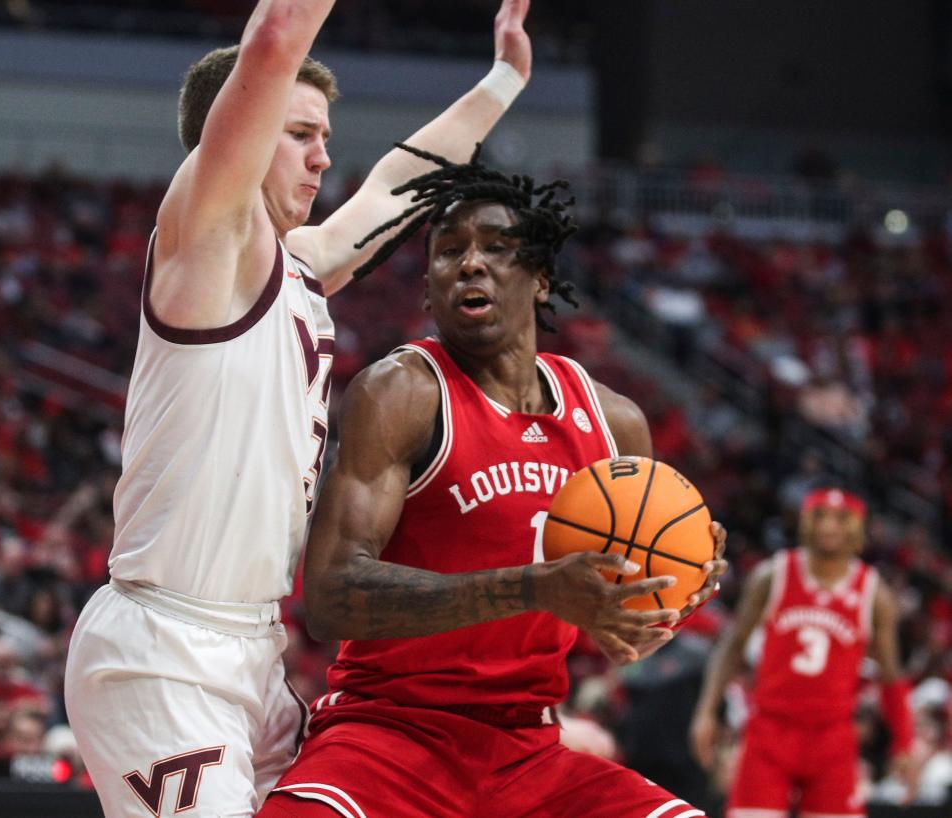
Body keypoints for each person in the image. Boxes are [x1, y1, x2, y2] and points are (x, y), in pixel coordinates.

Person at [63, 2, 536, 815]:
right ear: (236, 133)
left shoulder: (300, 265)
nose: (323, 156)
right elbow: (277, 35)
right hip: (161, 653)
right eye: (298, 133)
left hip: (252, 650)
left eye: (323, 135)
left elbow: (399, 183)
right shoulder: (204, 241)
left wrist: (503, 80)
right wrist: (279, 51)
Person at [258, 148, 728, 818]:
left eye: (496, 247)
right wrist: (534, 587)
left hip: (528, 750)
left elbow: (619, 635)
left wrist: (660, 603)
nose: (469, 263)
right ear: (428, 289)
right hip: (387, 735)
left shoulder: (613, 422)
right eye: (448, 251)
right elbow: (331, 597)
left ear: (538, 277)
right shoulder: (402, 392)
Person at [689, 487, 915, 818]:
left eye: (840, 518)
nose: (829, 526)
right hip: (769, 732)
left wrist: (905, 742)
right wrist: (706, 710)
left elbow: (890, 673)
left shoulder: (874, 593)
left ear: (856, 526)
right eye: (820, 516)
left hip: (833, 739)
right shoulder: (773, 575)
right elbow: (732, 645)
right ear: (806, 522)